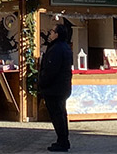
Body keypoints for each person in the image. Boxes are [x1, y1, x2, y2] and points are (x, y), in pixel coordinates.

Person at [38, 18, 73, 152]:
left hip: (55, 88)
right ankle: (63, 140)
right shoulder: (65, 47)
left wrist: (42, 82)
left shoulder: (57, 49)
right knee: (61, 114)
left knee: (57, 115)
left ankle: (63, 141)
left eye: (52, 31)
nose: (49, 33)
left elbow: (51, 70)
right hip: (62, 87)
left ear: (57, 34)